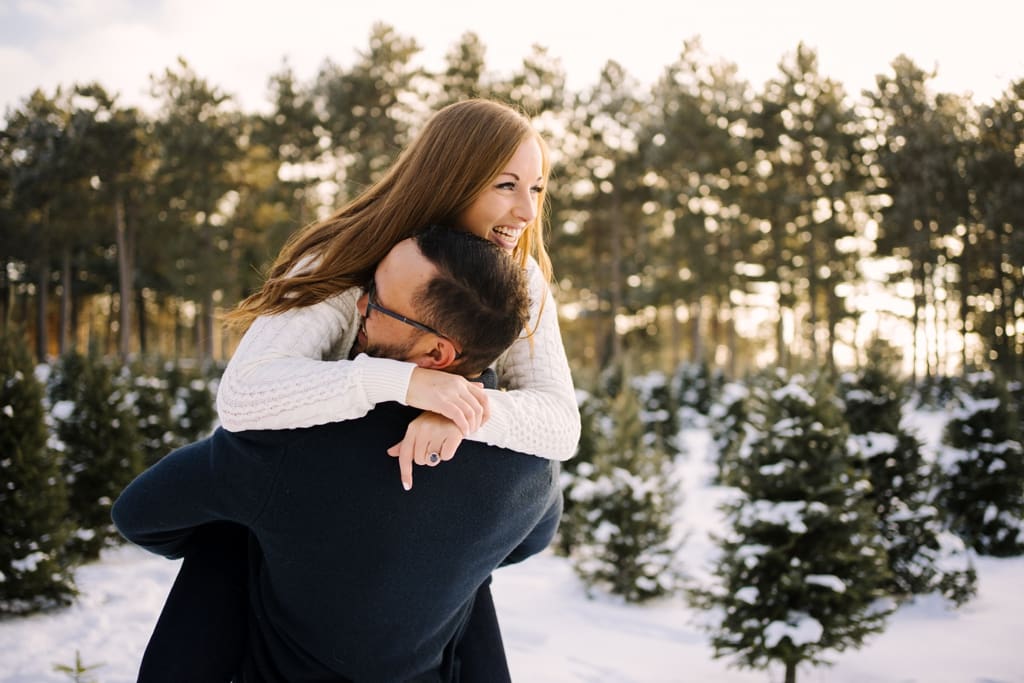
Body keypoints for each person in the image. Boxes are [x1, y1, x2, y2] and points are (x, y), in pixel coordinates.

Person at [113, 226, 564, 681]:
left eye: (379, 302)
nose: (359, 305)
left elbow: (138, 514)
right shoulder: (528, 465)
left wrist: (257, 540)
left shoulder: (293, 443)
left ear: (436, 354)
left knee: (229, 531)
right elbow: (531, 540)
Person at [216, 98, 580, 489]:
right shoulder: (341, 260)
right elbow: (243, 393)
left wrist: (459, 411)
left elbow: (560, 422)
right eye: (507, 185)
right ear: (452, 181)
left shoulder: (520, 276)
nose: (527, 212)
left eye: (536, 189)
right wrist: (407, 383)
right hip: (304, 484)